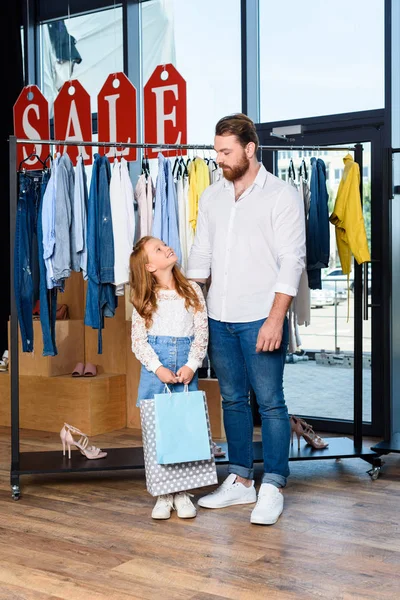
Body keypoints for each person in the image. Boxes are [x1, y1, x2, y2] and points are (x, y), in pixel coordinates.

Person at [186, 113, 306, 525]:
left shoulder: (281, 195)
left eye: (226, 151)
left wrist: (276, 320)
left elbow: (292, 261)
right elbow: (201, 256)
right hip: (219, 316)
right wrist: (190, 310)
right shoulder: (212, 197)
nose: (218, 159)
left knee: (270, 403)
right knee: (233, 399)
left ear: (250, 149)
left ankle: (272, 484)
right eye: (216, 151)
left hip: (261, 316)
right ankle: (240, 480)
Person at [130, 235, 208, 520]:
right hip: (156, 370)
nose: (167, 248)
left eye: (165, 245)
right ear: (150, 266)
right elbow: (138, 341)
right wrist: (157, 367)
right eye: (159, 249)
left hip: (185, 367)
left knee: (184, 429)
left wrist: (192, 363)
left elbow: (201, 332)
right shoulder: (144, 298)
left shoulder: (192, 291)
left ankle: (183, 492)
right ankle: (163, 493)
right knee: (158, 432)